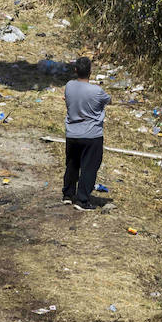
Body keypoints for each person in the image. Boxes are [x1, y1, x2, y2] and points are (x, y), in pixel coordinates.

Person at [62, 57, 111, 211]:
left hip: (72, 133)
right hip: (91, 135)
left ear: (75, 70)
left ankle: (68, 195)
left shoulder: (69, 86)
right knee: (89, 167)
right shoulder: (96, 91)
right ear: (90, 72)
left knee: (72, 165)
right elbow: (108, 100)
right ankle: (82, 200)